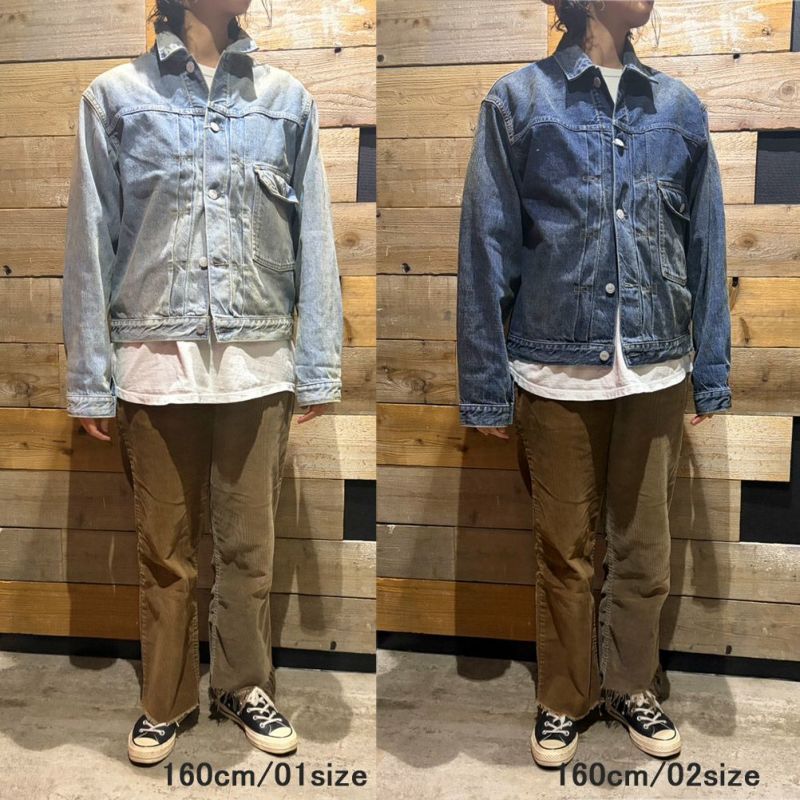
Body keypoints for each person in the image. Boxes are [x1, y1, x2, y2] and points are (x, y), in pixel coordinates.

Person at [61, 0, 343, 765]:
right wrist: (89, 378)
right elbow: (90, 240)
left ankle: (243, 685)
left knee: (251, 548)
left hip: (258, 368)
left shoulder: (285, 101)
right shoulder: (114, 98)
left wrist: (318, 362)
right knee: (166, 553)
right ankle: (167, 696)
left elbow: (315, 235)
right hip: (154, 369)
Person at [456, 0, 731, 768]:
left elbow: (706, 242)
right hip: (552, 371)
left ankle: (632, 684)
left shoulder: (680, 110)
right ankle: (565, 695)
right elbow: (486, 247)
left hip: (655, 370)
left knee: (645, 551)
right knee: (564, 553)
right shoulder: (518, 102)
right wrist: (485, 384)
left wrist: (709, 372)